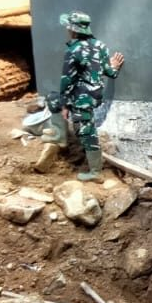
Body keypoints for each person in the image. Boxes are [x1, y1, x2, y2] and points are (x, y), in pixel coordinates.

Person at [48, 11, 124, 181]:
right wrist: (115, 66)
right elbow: (110, 73)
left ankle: (96, 172)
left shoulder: (73, 51)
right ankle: (61, 136)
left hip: (81, 97)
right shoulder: (100, 46)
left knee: (86, 132)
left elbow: (67, 80)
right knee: (53, 99)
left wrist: (66, 105)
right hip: (95, 95)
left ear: (72, 30)